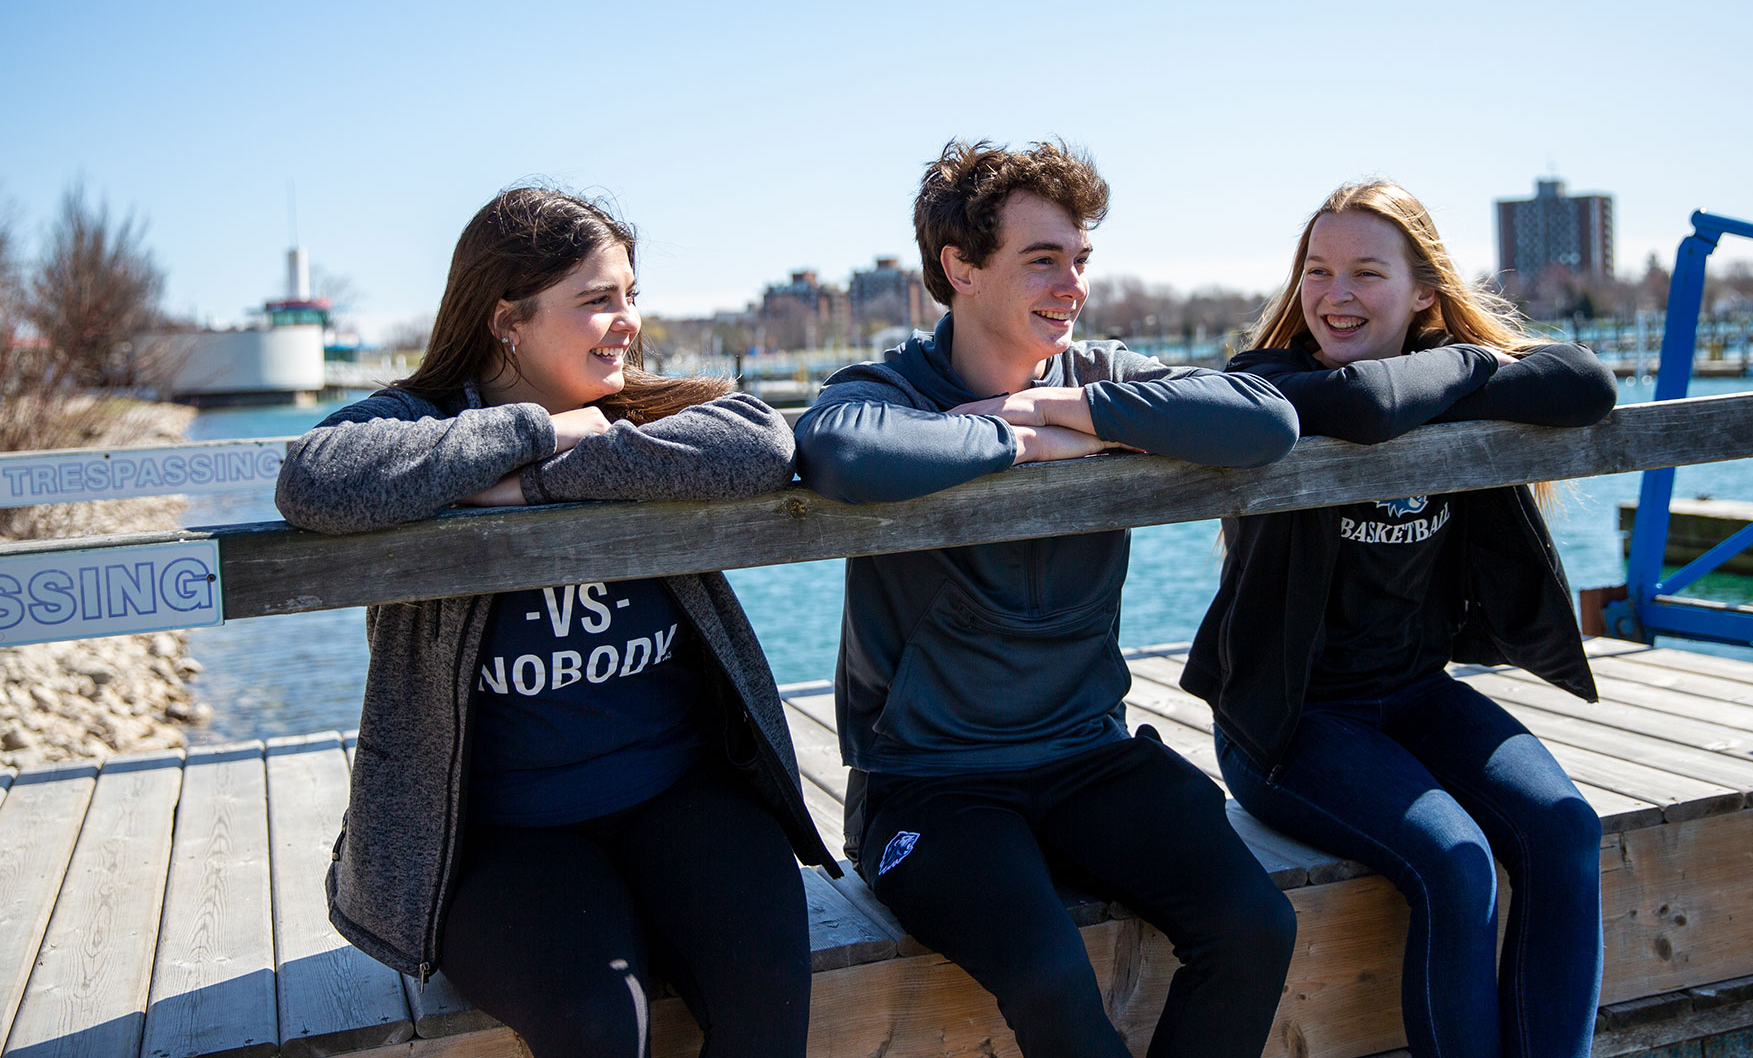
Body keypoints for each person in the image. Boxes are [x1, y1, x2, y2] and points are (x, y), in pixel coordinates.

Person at [276, 187, 833, 1058]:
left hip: (678, 792)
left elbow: (762, 442)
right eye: (597, 300)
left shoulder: (646, 411)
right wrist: (541, 428)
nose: (628, 323)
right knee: (599, 1026)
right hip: (500, 831)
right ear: (508, 319)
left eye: (630, 295)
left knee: (768, 999)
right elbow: (317, 478)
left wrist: (533, 481)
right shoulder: (421, 423)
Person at [792, 140, 1301, 1058]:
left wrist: (1081, 415)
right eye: (1042, 259)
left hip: (1086, 755)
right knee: (1052, 980)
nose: (1072, 284)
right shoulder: (890, 390)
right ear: (960, 268)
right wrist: (1020, 440)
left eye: (1080, 260)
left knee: (1255, 923)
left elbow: (1266, 420)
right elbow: (840, 452)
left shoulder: (1098, 377)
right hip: (929, 783)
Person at [1181, 179, 1619, 1058]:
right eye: (1318, 270)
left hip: (1415, 697)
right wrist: (1475, 366)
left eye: (1365, 273)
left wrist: (1461, 364)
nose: (1334, 295)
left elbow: (1587, 383)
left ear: (1425, 291)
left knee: (1565, 828)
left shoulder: (1440, 374)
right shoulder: (1266, 382)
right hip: (1287, 721)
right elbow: (1367, 406)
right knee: (1456, 863)